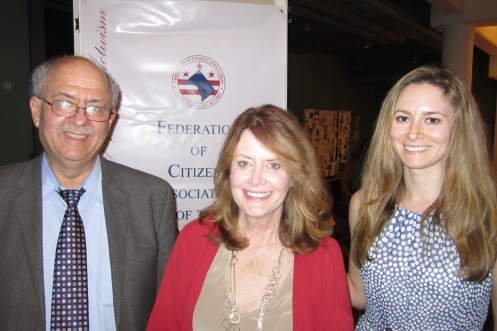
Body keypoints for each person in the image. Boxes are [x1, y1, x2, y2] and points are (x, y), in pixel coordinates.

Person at [0, 55, 177, 330]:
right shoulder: (4, 194)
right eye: (64, 103)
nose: (80, 119)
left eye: (96, 108)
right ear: (36, 110)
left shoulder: (152, 198)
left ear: (110, 121)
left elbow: (169, 309)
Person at [147, 104, 353, 330]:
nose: (256, 179)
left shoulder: (323, 256)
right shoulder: (194, 239)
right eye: (244, 163)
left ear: (295, 176)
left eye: (273, 165)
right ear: (228, 171)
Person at [347, 65, 497, 330]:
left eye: (432, 119)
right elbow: (358, 296)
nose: (413, 133)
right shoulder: (366, 205)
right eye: (403, 118)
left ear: (459, 128)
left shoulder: (487, 211)